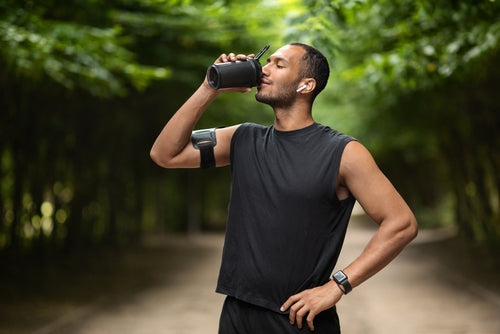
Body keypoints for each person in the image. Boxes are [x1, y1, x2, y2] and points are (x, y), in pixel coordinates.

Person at [150, 43, 418, 333]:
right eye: (267, 63)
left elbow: (401, 224)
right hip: (237, 314)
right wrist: (210, 87)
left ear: (306, 85)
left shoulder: (343, 152)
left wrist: (337, 285)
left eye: (278, 65)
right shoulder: (242, 138)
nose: (264, 69)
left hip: (298, 319)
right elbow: (165, 154)